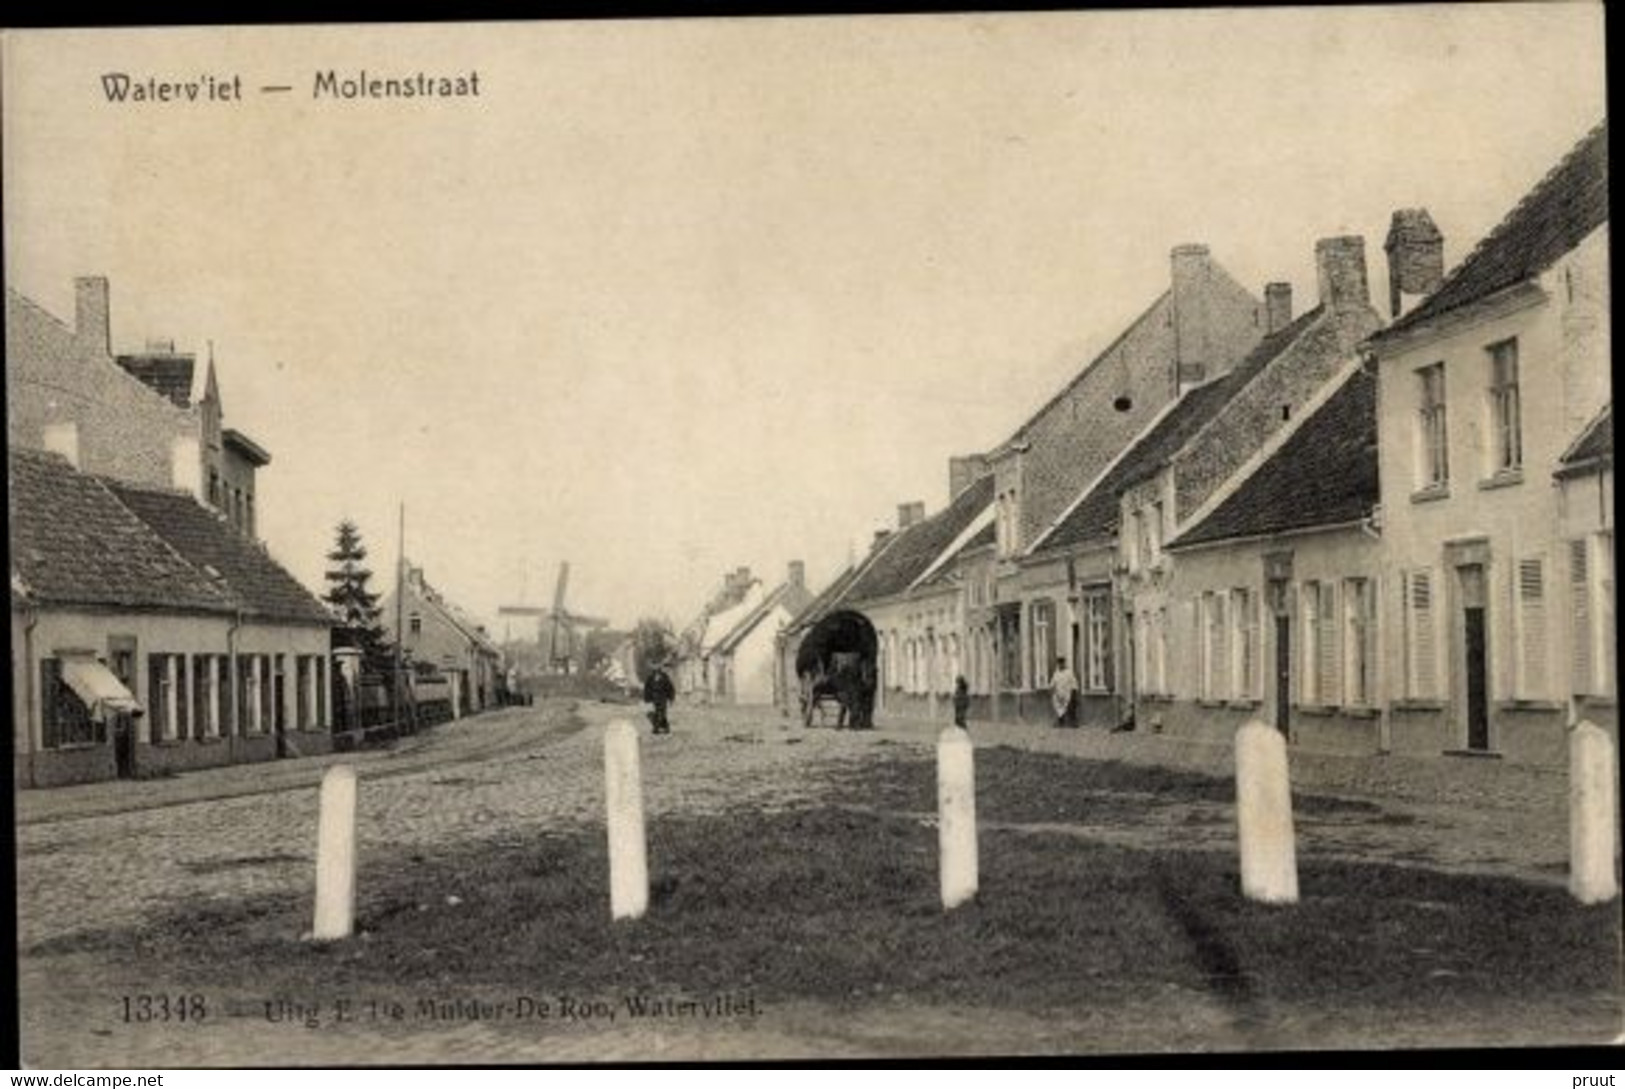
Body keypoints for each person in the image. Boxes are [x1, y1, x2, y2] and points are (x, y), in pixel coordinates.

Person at [643, 660, 675, 735]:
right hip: (654, 698)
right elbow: (647, 688)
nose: (656, 668)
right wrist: (646, 699)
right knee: (654, 713)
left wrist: (671, 698)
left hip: (662, 697)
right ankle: (657, 727)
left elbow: (670, 687)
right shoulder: (650, 677)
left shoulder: (664, 677)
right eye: (654, 666)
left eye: (658, 666)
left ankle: (664, 727)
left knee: (662, 713)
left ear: (660, 668)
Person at [1049, 656, 1079, 729]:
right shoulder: (1056, 674)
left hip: (1067, 693)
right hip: (1058, 693)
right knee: (1058, 707)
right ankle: (1060, 721)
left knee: (1070, 707)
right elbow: (1052, 683)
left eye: (1062, 663)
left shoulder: (1069, 673)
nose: (1061, 665)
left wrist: (1074, 691)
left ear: (1064, 663)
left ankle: (1073, 722)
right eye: (1059, 663)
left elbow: (1073, 682)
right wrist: (1051, 690)